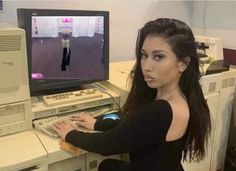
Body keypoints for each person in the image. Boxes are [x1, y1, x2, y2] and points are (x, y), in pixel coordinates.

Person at [52, 18, 211, 171]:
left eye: (158, 57)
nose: (146, 66)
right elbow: (134, 124)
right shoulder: (181, 96)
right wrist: (97, 123)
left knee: (106, 166)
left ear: (182, 63)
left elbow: (106, 144)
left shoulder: (162, 110)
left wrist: (70, 134)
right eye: (144, 55)